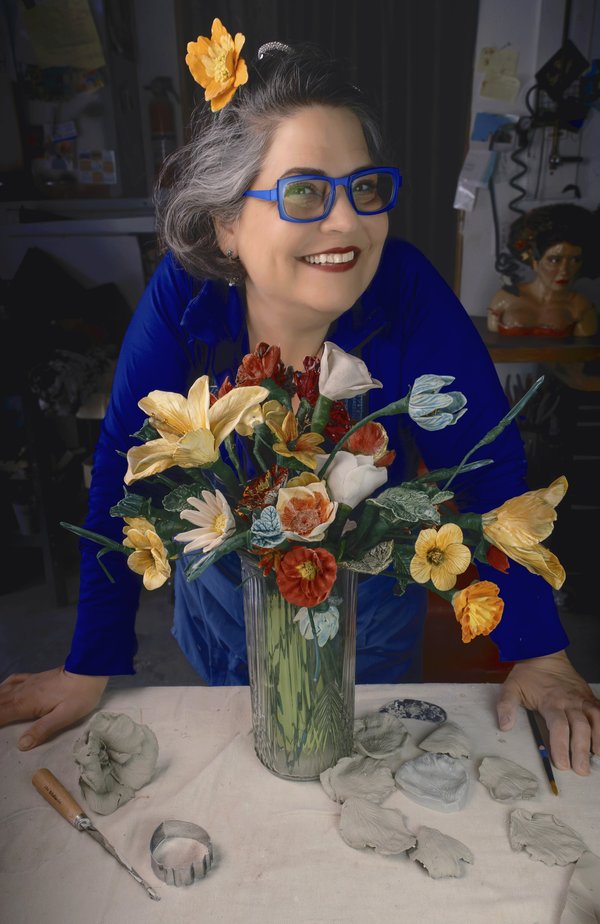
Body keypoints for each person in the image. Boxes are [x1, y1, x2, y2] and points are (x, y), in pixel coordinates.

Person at [1, 33, 598, 774]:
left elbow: (489, 472)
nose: (347, 223)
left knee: (359, 770)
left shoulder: (406, 292)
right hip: (226, 599)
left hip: (368, 605)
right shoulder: (185, 296)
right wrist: (89, 661)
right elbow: (125, 473)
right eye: (305, 191)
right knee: (246, 769)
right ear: (227, 223)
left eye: (364, 187)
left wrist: (541, 653)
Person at [487, 204, 598, 338]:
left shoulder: (580, 308)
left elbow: (581, 352)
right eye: (554, 260)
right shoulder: (505, 299)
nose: (564, 271)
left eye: (575, 260)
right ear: (535, 262)